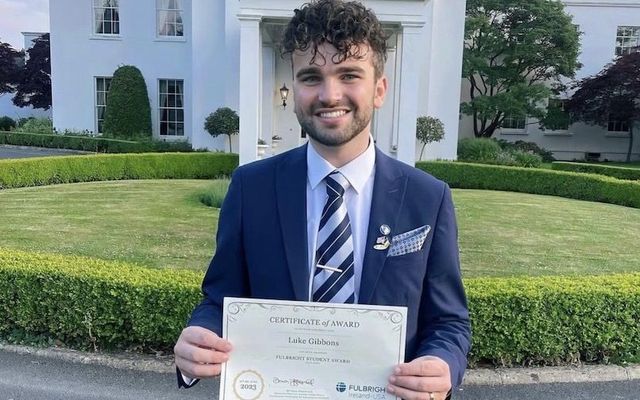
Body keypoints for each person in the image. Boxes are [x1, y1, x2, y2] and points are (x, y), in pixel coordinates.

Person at [173, 1, 471, 399]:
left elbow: (449, 321)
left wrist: (442, 364)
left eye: (349, 75)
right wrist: (201, 335)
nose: (330, 95)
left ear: (379, 89)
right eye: (311, 77)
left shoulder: (427, 198)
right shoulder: (251, 188)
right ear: (294, 89)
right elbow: (221, 298)